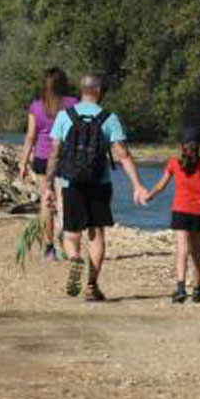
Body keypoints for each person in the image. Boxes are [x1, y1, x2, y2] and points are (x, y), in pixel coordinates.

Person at [45, 73, 149, 301]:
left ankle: (74, 259)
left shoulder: (65, 116)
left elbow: (54, 153)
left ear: (80, 91)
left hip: (71, 182)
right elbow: (123, 155)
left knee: (71, 234)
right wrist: (137, 185)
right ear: (99, 91)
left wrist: (48, 185)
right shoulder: (109, 118)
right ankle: (91, 286)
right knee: (96, 233)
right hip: (99, 184)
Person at [145, 127, 200, 303]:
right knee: (197, 251)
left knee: (182, 249)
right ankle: (198, 289)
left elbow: (161, 185)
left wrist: (149, 195)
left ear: (181, 146)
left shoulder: (173, 163)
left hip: (180, 210)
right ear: (199, 145)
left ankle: (180, 288)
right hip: (199, 212)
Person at [18, 68, 78, 260]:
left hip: (42, 159)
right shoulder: (73, 104)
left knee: (46, 203)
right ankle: (66, 244)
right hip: (65, 158)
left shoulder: (36, 106)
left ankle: (49, 249)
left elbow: (30, 136)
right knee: (63, 203)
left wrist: (23, 162)